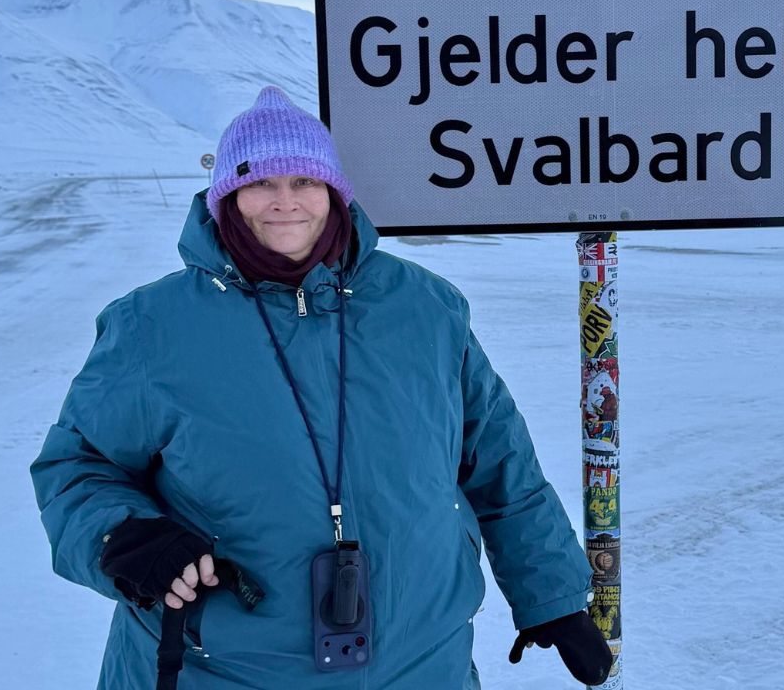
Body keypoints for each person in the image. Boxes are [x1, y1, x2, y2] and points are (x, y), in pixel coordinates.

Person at [31, 86, 612, 689]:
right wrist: (122, 535)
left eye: (304, 182)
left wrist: (553, 595)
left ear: (335, 192)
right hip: (224, 670)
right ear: (226, 197)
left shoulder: (426, 308)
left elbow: (499, 462)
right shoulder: (151, 326)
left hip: (422, 663)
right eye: (258, 182)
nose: (285, 202)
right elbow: (77, 466)